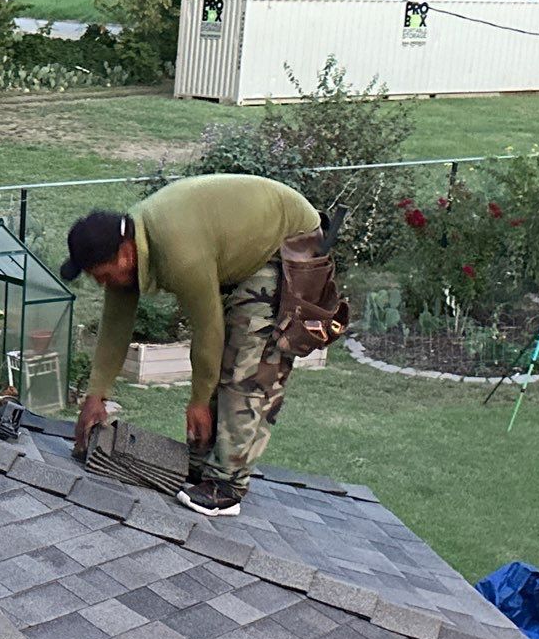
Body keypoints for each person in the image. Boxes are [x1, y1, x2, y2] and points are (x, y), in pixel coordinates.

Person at [62, 174, 344, 517]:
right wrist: (96, 396)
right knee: (224, 363)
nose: (101, 283)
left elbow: (208, 331)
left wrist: (196, 402)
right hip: (244, 246)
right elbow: (114, 328)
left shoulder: (179, 251)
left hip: (287, 241)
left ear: (125, 253)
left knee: (247, 364)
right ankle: (204, 464)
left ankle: (227, 484)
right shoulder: (132, 242)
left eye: (102, 275)